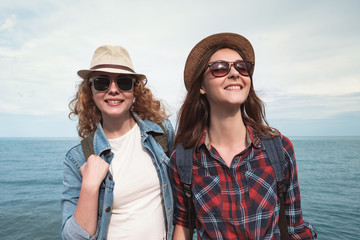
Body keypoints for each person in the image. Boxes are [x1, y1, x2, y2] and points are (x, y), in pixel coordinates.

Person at [169, 33, 317, 239]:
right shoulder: (183, 159)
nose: (234, 73)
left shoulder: (279, 149)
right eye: (220, 68)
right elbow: (184, 226)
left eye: (242, 67)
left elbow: (295, 230)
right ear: (201, 86)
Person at [61, 45, 174, 240]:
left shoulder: (161, 132)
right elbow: (72, 237)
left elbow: (183, 198)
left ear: (134, 90)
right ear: (90, 90)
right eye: (102, 82)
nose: (113, 90)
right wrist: (89, 186)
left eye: (123, 82)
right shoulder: (78, 158)